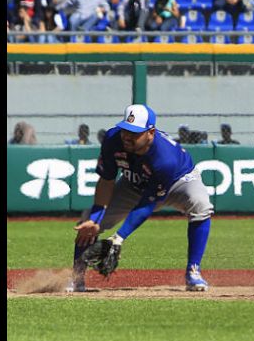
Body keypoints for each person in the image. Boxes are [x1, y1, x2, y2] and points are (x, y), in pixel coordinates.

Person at [68, 104, 215, 292]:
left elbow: (147, 204)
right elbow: (107, 180)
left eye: (135, 133)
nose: (127, 137)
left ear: (150, 132)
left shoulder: (165, 159)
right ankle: (76, 278)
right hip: (134, 183)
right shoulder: (113, 139)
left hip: (180, 181)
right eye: (126, 130)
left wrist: (119, 238)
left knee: (201, 204)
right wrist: (95, 219)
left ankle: (193, 272)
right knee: (88, 220)